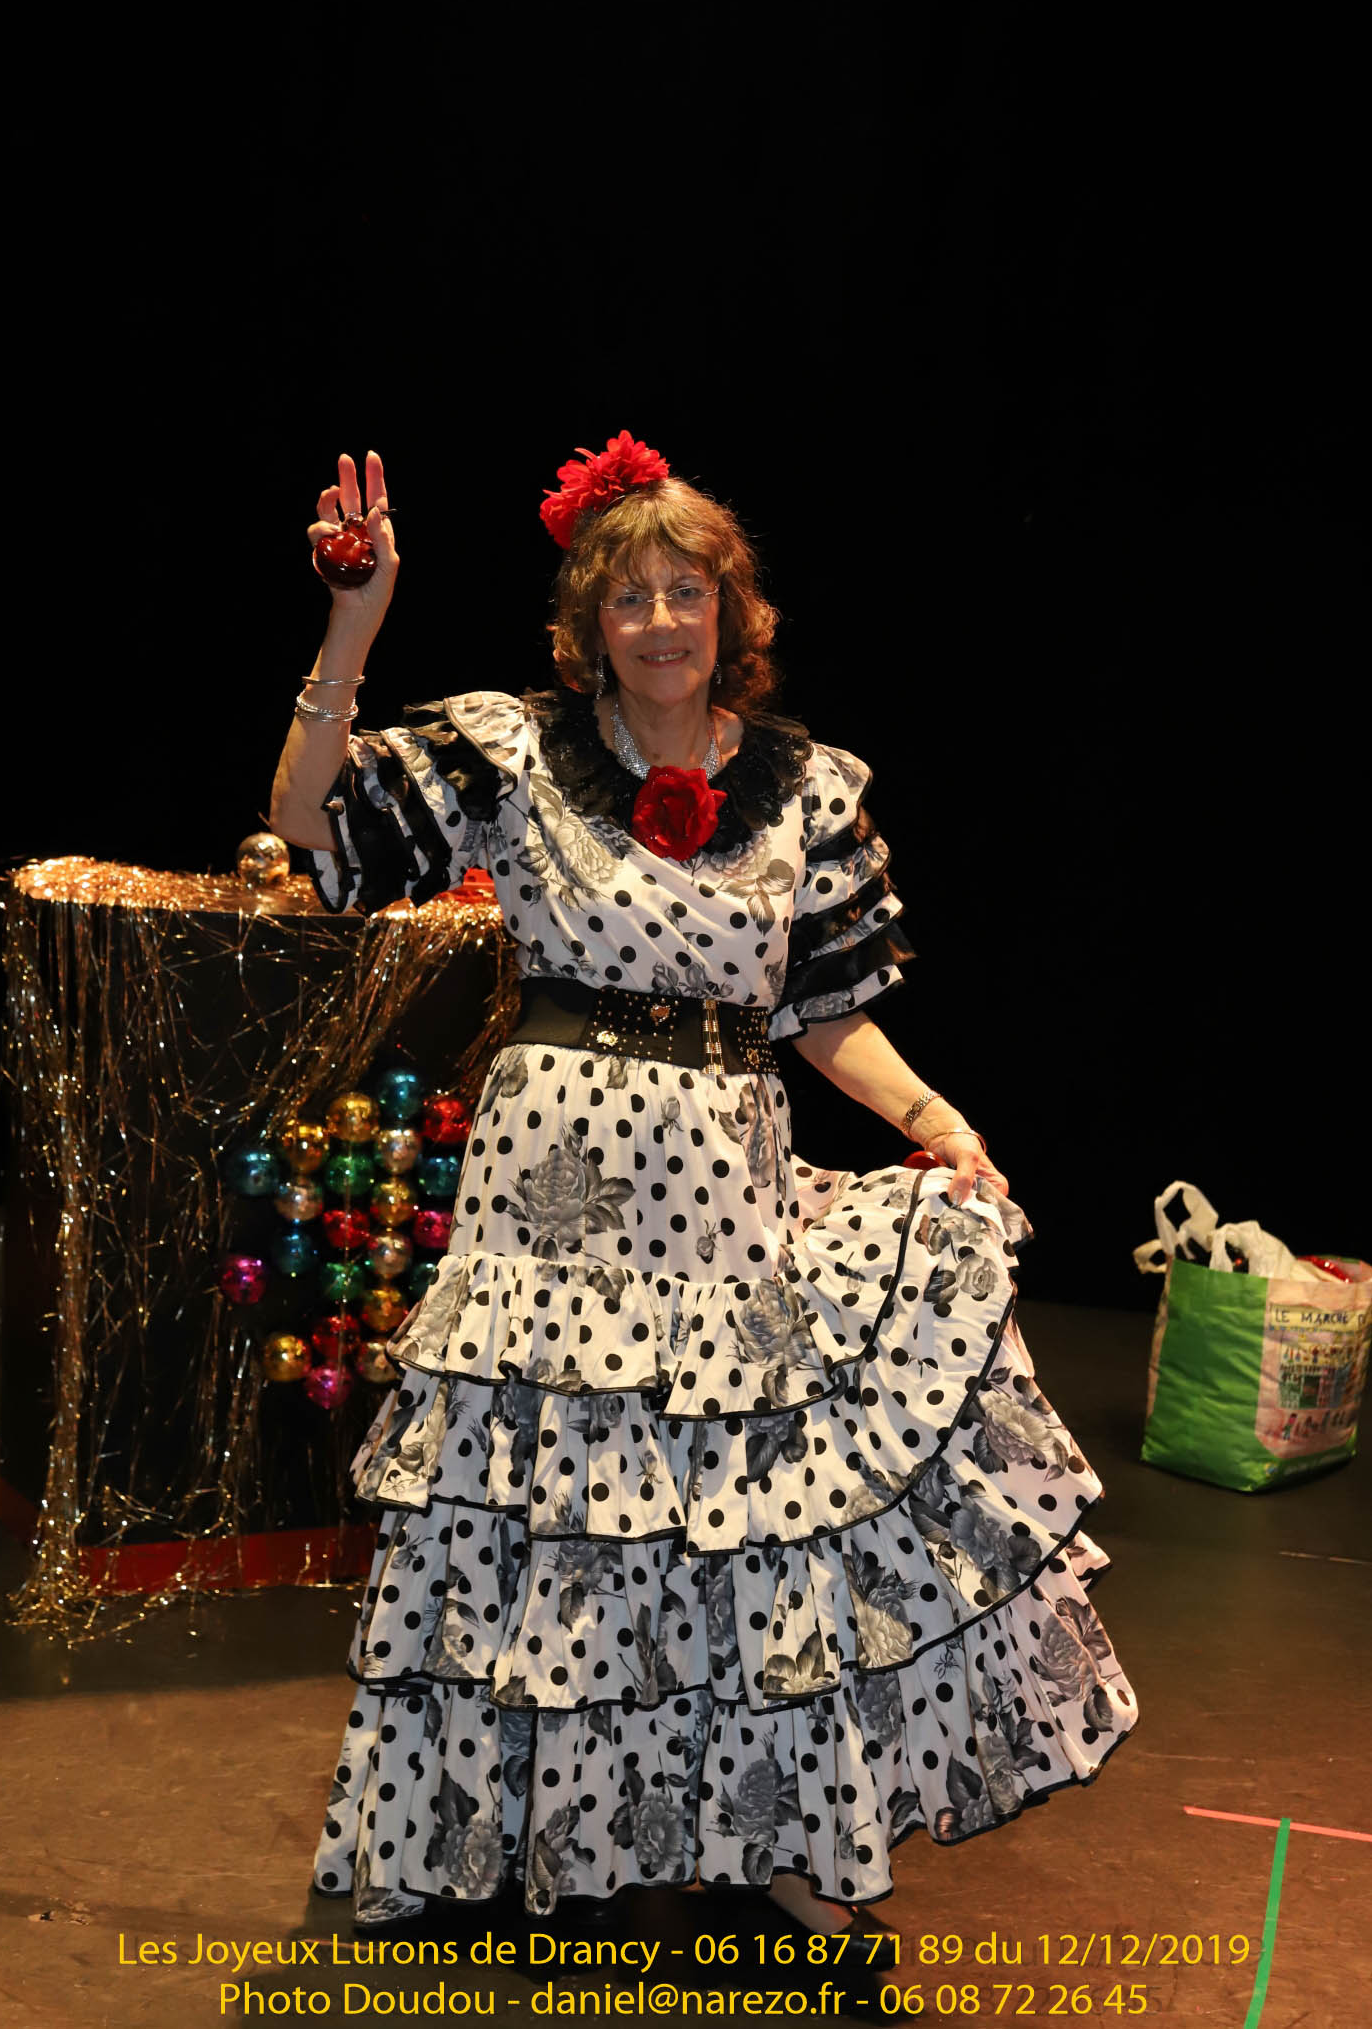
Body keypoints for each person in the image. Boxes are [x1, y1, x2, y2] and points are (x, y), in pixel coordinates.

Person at [269, 435, 1138, 1946]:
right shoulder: (516, 753)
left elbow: (826, 1012)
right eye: (630, 597)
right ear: (587, 624)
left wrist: (941, 1124)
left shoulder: (806, 789)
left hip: (722, 1200)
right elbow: (308, 826)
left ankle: (772, 1840)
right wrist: (356, 620)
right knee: (543, 1510)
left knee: (733, 1520)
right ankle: (479, 1834)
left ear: (731, 612)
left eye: (688, 592)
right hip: (556, 1200)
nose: (661, 621)